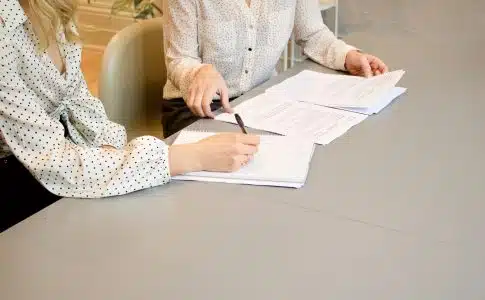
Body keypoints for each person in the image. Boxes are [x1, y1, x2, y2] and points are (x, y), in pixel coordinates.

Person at [0, 0, 260, 232]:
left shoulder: (55, 9)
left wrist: (113, 153)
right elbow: (53, 161)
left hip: (59, 155)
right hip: (19, 177)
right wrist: (190, 157)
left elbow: (80, 104)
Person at [161, 0, 390, 137]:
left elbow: (313, 34)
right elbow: (180, 59)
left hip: (260, 102)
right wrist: (198, 73)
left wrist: (348, 56)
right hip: (196, 110)